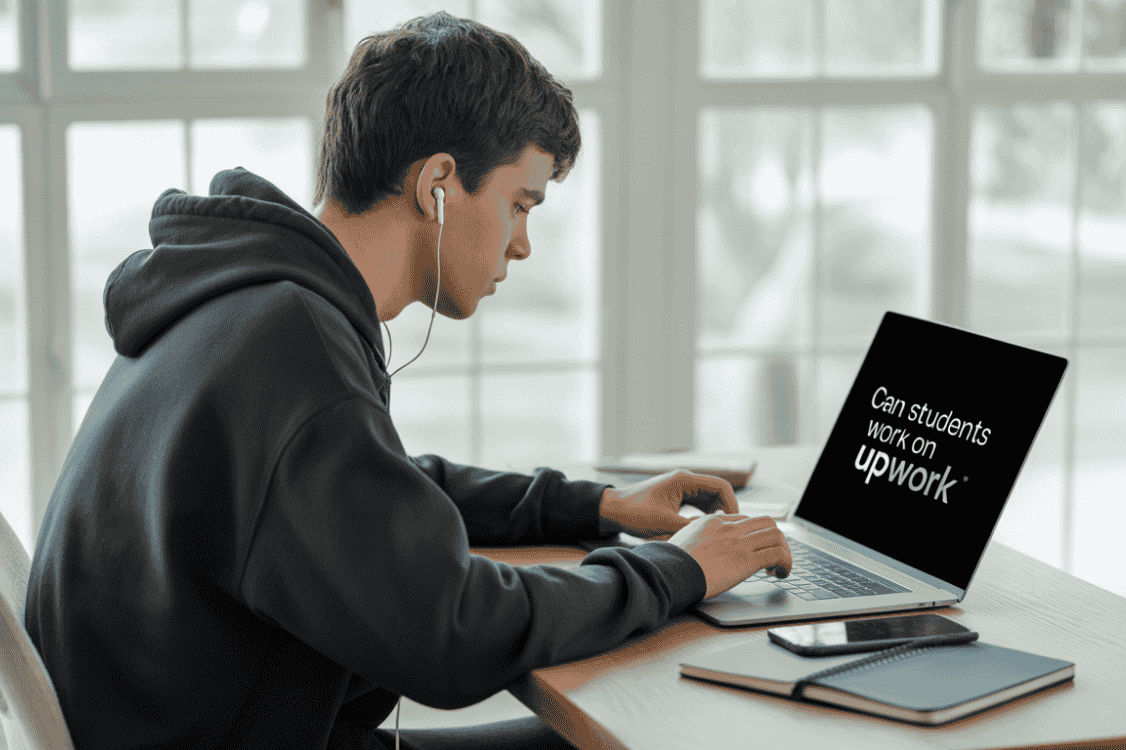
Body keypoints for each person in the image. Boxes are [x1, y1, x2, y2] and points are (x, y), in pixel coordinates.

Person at [25, 11, 791, 750]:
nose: (522, 245)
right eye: (519, 205)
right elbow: (453, 632)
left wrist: (594, 504)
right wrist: (681, 570)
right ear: (438, 185)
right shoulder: (290, 349)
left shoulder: (245, 303)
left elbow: (369, 492)